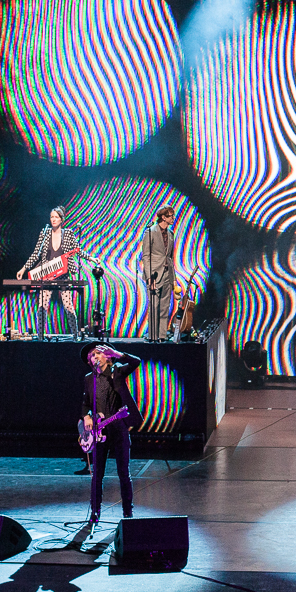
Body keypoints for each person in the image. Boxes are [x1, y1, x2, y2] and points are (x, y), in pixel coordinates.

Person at [80, 343, 142, 524]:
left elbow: (136, 362)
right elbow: (85, 402)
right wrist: (86, 416)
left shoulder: (118, 372)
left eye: (98, 353)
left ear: (107, 357)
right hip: (100, 431)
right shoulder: (88, 379)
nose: (95, 357)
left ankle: (127, 512)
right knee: (97, 474)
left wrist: (117, 353)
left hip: (119, 427)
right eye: (92, 355)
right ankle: (95, 511)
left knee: (123, 472)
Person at [17, 206, 80, 335]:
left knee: (68, 306)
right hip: (46, 274)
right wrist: (23, 268)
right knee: (42, 306)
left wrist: (92, 259)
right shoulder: (45, 233)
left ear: (62, 219)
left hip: (63, 276)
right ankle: (40, 336)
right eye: (52, 217)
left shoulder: (67, 233)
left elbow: (78, 250)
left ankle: (76, 336)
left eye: (56, 217)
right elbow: (36, 253)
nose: (53, 219)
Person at [140, 205, 177, 341]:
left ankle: (162, 335)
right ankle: (153, 336)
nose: (173, 218)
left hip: (167, 273)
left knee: (165, 306)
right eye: (171, 216)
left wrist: (173, 278)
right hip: (155, 274)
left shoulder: (171, 234)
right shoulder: (150, 232)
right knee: (154, 305)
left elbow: (170, 257)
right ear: (163, 217)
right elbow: (146, 256)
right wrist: (150, 277)